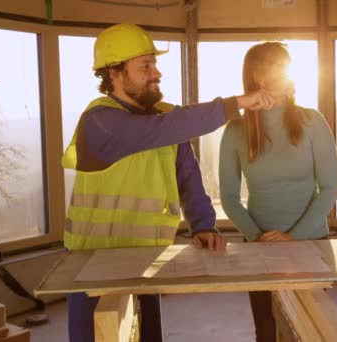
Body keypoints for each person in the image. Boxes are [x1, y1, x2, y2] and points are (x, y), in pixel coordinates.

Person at [62, 23, 274, 342]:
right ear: (115, 73)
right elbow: (164, 128)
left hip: (146, 262)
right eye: (145, 66)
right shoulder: (100, 122)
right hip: (93, 271)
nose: (157, 73)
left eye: (155, 64)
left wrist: (203, 226)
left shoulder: (164, 119)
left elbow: (188, 177)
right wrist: (237, 103)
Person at [219, 42, 337, 342]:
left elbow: (329, 188)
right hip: (259, 248)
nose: (285, 71)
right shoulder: (235, 131)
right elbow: (230, 199)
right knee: (267, 330)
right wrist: (258, 238)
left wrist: (293, 238)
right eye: (277, 64)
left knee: (310, 330)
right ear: (257, 76)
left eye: (287, 63)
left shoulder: (312, 121)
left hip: (311, 244)